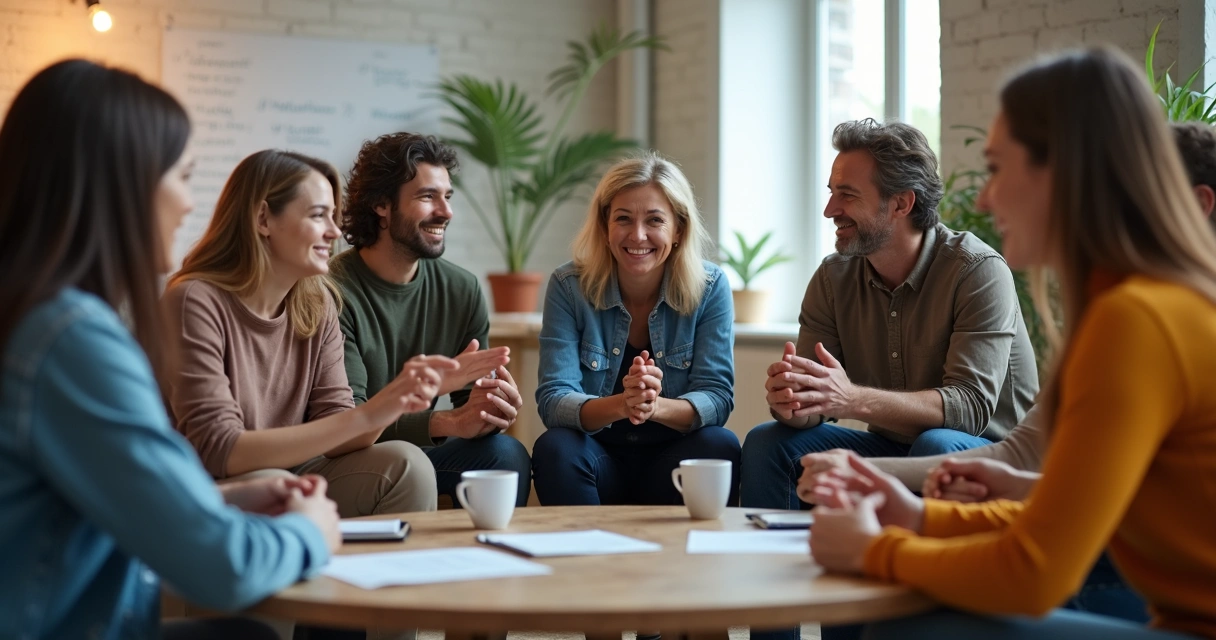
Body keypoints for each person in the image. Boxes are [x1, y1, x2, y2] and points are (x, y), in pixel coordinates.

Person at [804, 47, 1216, 639]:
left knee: (911, 627)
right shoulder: (1127, 304)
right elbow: (1060, 504)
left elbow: (1035, 572)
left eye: (998, 168)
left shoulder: (1138, 318)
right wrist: (915, 515)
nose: (984, 199)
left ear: (1064, 174)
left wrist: (877, 550)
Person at [0, 59, 342, 640]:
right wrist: (309, 532)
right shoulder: (74, 342)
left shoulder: (35, 318)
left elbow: (102, 492)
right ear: (123, 185)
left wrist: (222, 497)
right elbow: (221, 568)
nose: (188, 204)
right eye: (183, 176)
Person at [740, 119, 1039, 513]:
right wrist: (793, 403)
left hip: (987, 453)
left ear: (901, 203)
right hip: (890, 445)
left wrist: (851, 399)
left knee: (936, 444)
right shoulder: (832, 278)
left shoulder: (976, 270)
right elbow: (818, 404)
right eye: (831, 193)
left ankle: (902, 550)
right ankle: (777, 550)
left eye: (847, 195)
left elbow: (968, 410)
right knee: (768, 442)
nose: (830, 210)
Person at [165, 149, 472, 518]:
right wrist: (369, 413)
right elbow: (220, 449)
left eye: (333, 215)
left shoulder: (317, 302)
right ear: (263, 218)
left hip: (297, 475)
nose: (335, 231)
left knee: (409, 465)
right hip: (213, 489)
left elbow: (341, 430)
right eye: (317, 215)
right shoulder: (195, 300)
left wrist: (396, 401)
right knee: (273, 482)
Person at [330, 132, 530, 507]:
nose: (446, 211)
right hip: (350, 459)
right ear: (381, 205)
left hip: (420, 453)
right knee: (406, 460)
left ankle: (491, 545)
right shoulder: (332, 291)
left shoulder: (462, 289)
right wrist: (448, 422)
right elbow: (348, 421)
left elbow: (470, 403)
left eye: (447, 196)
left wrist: (491, 408)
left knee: (505, 455)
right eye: (427, 196)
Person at [530, 152, 740, 507]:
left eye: (655, 220)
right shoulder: (569, 287)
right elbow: (554, 400)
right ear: (605, 227)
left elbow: (717, 397)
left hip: (672, 460)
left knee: (720, 444)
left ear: (678, 230)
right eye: (623, 219)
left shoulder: (709, 287)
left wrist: (653, 407)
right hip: (597, 458)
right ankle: (586, 543)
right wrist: (623, 404)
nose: (638, 235)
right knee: (556, 446)